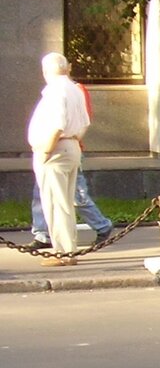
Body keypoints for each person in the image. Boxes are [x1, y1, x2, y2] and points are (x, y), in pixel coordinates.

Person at [28, 80, 112, 248]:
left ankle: (101, 225)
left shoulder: (72, 90)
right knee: (42, 194)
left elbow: (78, 122)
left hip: (60, 151)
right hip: (56, 150)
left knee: (75, 197)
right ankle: (43, 234)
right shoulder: (60, 90)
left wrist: (51, 149)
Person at [25, 52, 90, 266]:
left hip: (55, 151)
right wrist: (72, 140)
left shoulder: (56, 91)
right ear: (66, 68)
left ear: (45, 71)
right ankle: (67, 249)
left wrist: (45, 151)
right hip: (70, 146)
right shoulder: (74, 89)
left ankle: (63, 252)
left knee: (55, 203)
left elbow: (57, 125)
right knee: (65, 202)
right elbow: (84, 124)